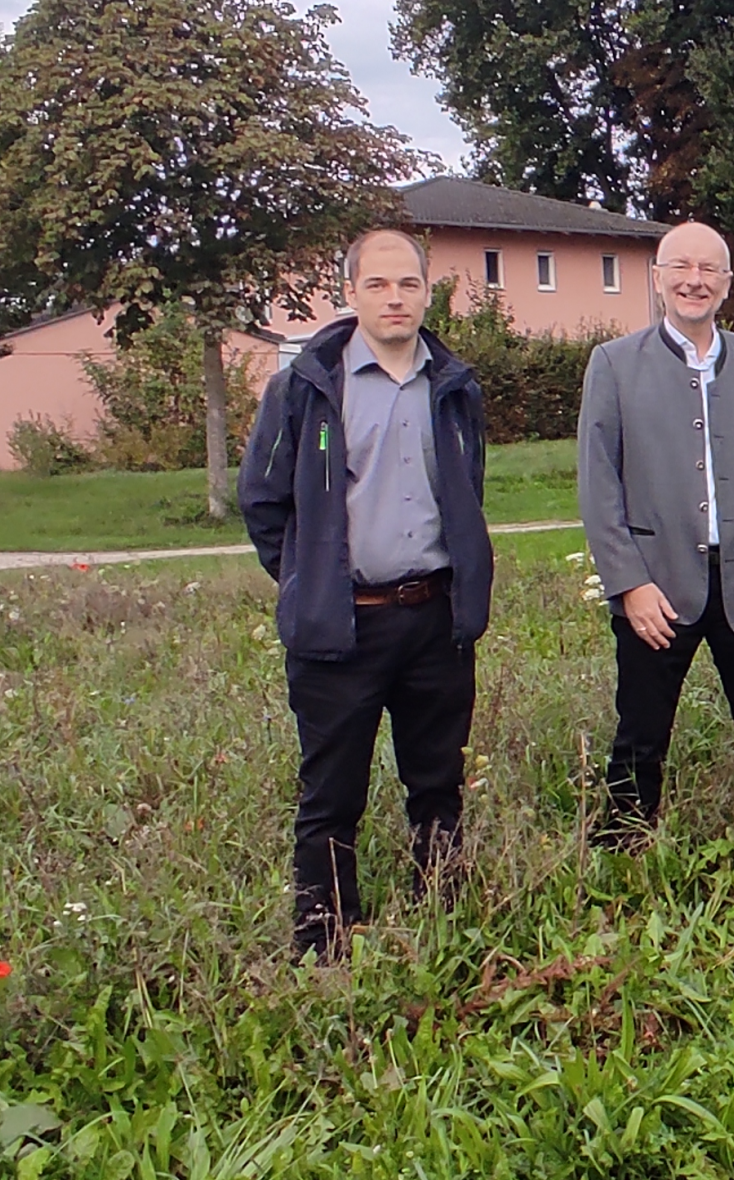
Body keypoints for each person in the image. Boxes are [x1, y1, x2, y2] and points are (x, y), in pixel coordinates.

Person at [239, 227, 495, 961]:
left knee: (437, 781)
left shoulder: (455, 387)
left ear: (427, 291)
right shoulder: (306, 387)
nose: (394, 298)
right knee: (330, 794)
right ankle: (323, 938)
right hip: (341, 627)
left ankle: (443, 916)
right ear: (349, 292)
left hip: (435, 620)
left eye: (408, 284)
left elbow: (467, 489)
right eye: (378, 284)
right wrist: (310, 579)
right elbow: (263, 502)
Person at [578, 221, 734, 854]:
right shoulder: (614, 367)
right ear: (657, 278)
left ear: (727, 285)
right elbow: (599, 489)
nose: (693, 281)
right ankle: (625, 852)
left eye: (709, 270)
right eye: (680, 267)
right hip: (656, 585)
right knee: (641, 732)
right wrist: (628, 584)